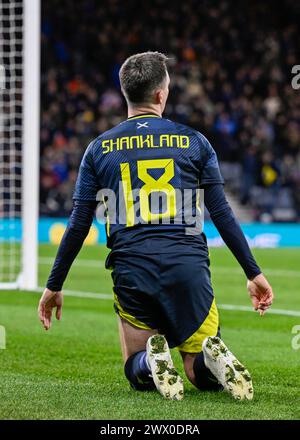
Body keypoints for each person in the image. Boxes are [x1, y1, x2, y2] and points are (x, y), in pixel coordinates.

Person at [38, 52, 274, 401]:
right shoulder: (195, 142)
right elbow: (221, 212)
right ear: (162, 94)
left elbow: (77, 225)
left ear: (125, 93)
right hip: (188, 267)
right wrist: (253, 273)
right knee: (198, 376)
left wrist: (54, 285)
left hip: (133, 269)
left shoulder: (99, 149)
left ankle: (151, 360)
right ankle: (209, 358)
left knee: (135, 365)